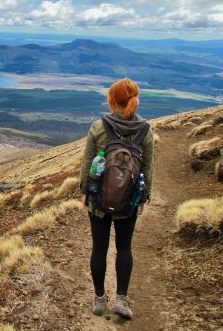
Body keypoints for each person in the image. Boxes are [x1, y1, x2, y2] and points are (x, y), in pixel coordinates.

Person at [79, 77, 154, 320]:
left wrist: (84, 191)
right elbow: (148, 169)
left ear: (112, 100)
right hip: (129, 201)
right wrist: (144, 197)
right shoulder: (145, 130)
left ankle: (100, 299)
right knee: (124, 247)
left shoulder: (99, 126)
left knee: (99, 249)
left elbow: (88, 163)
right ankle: (121, 299)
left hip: (99, 201)